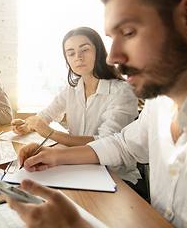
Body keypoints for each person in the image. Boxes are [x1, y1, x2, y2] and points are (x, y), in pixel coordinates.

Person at [5, 0, 187, 227]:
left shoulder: (122, 90)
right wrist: (55, 155)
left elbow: (111, 143)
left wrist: (52, 136)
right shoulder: (159, 105)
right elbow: (123, 145)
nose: (113, 55)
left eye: (129, 32)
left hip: (116, 181)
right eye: (71, 53)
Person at [12, 27, 140, 184]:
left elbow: (106, 143)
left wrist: (50, 133)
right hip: (76, 167)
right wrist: (28, 125)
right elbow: (48, 113)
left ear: (98, 51)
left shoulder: (122, 92)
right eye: (71, 53)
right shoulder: (72, 88)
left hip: (114, 176)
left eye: (84, 50)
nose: (78, 57)